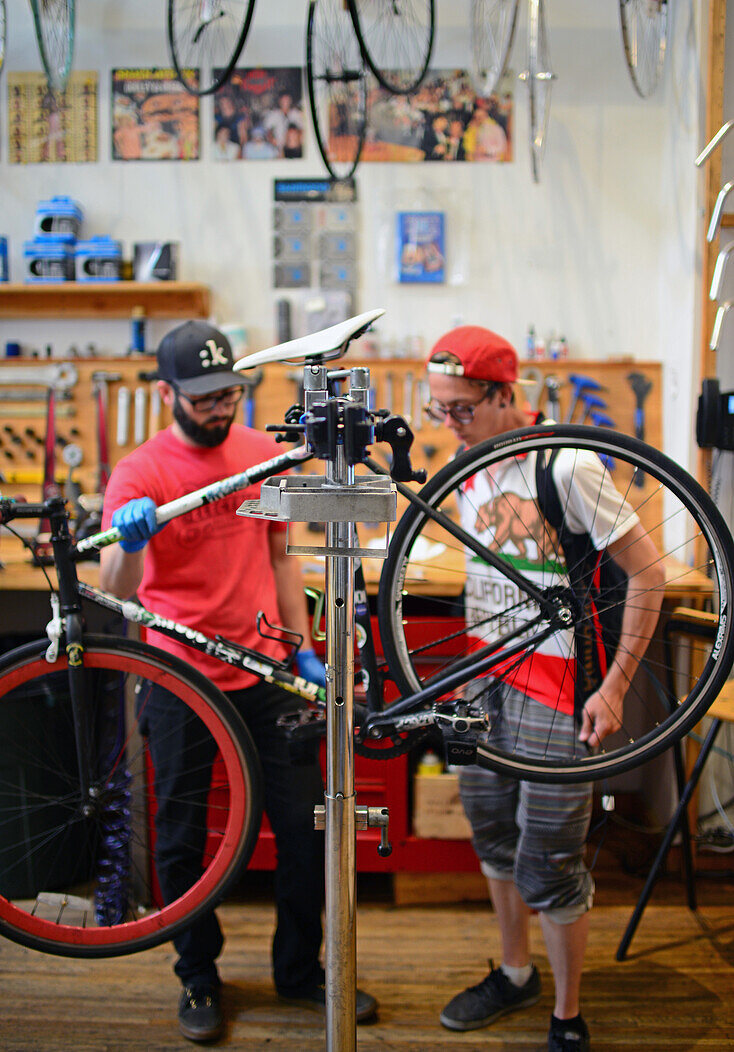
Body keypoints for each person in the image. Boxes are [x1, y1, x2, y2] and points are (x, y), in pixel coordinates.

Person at [99, 321, 378, 1043]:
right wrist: (130, 544)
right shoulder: (140, 473)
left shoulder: (260, 455)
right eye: (202, 397)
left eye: (228, 393)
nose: (219, 407)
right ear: (167, 393)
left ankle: (300, 972)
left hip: (263, 670)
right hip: (178, 679)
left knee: (303, 828)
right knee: (182, 839)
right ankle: (197, 976)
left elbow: (283, 560)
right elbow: (114, 586)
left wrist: (305, 650)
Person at [424, 325, 665, 1052]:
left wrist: (615, 686)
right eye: (440, 409)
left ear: (505, 394)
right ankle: (514, 972)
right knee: (494, 837)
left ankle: (567, 1014)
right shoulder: (468, 464)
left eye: (462, 408)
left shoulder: (565, 468)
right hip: (482, 679)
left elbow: (648, 572)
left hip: (559, 688)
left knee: (550, 859)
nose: (450, 424)